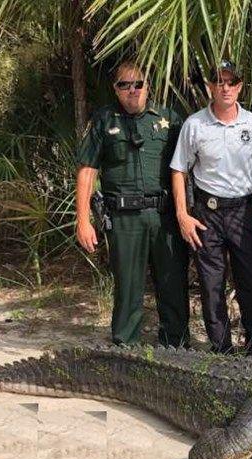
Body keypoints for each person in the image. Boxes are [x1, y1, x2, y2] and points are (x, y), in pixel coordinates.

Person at [74, 61, 189, 347]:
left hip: (165, 217)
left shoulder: (169, 119)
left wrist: (185, 212)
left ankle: (176, 347)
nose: (132, 90)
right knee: (127, 286)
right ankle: (126, 347)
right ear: (115, 89)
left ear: (148, 87)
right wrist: (83, 220)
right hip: (124, 219)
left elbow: (185, 167)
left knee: (173, 283)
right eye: (124, 85)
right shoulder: (104, 121)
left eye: (138, 83)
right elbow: (87, 169)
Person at [170, 60, 252, 354]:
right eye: (219, 82)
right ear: (210, 87)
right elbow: (179, 170)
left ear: (240, 86)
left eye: (232, 82)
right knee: (212, 284)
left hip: (244, 212)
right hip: (207, 214)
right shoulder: (195, 125)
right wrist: (182, 215)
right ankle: (221, 350)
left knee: (251, 282)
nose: (225, 87)